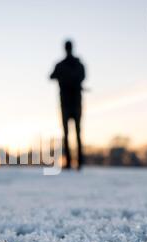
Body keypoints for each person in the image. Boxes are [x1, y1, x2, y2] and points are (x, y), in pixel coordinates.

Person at [50, 40, 86, 170]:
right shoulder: (69, 64)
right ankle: (74, 162)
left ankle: (76, 162)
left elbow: (82, 76)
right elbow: (51, 76)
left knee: (74, 133)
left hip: (71, 103)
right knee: (72, 133)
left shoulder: (72, 64)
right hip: (69, 102)